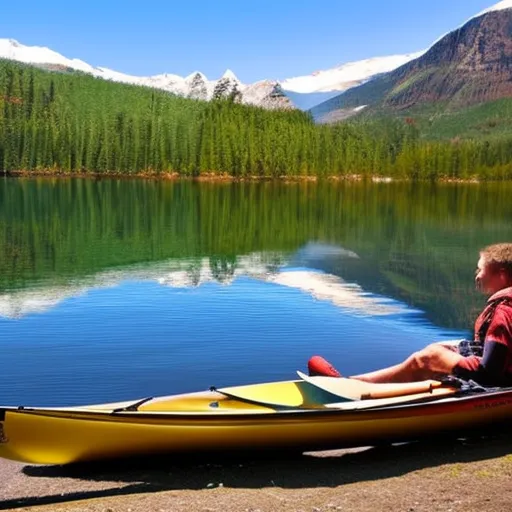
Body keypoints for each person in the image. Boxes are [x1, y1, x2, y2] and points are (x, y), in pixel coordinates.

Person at [308, 243, 512, 387]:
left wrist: (441, 359)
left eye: (480, 270)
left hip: (498, 379)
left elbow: (489, 373)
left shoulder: (502, 311)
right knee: (442, 348)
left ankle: (351, 385)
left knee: (427, 358)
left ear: (501, 274)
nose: (476, 276)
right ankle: (365, 385)